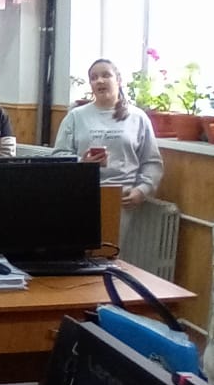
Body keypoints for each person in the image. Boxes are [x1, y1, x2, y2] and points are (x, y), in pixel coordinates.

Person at [53, 58, 163, 254]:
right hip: (82, 195)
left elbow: (152, 162)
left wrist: (142, 190)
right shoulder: (76, 116)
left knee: (110, 256)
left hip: (121, 199)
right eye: (94, 78)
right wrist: (82, 162)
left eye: (106, 75)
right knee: (78, 255)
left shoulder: (138, 118)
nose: (100, 81)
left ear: (118, 80)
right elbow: (59, 156)